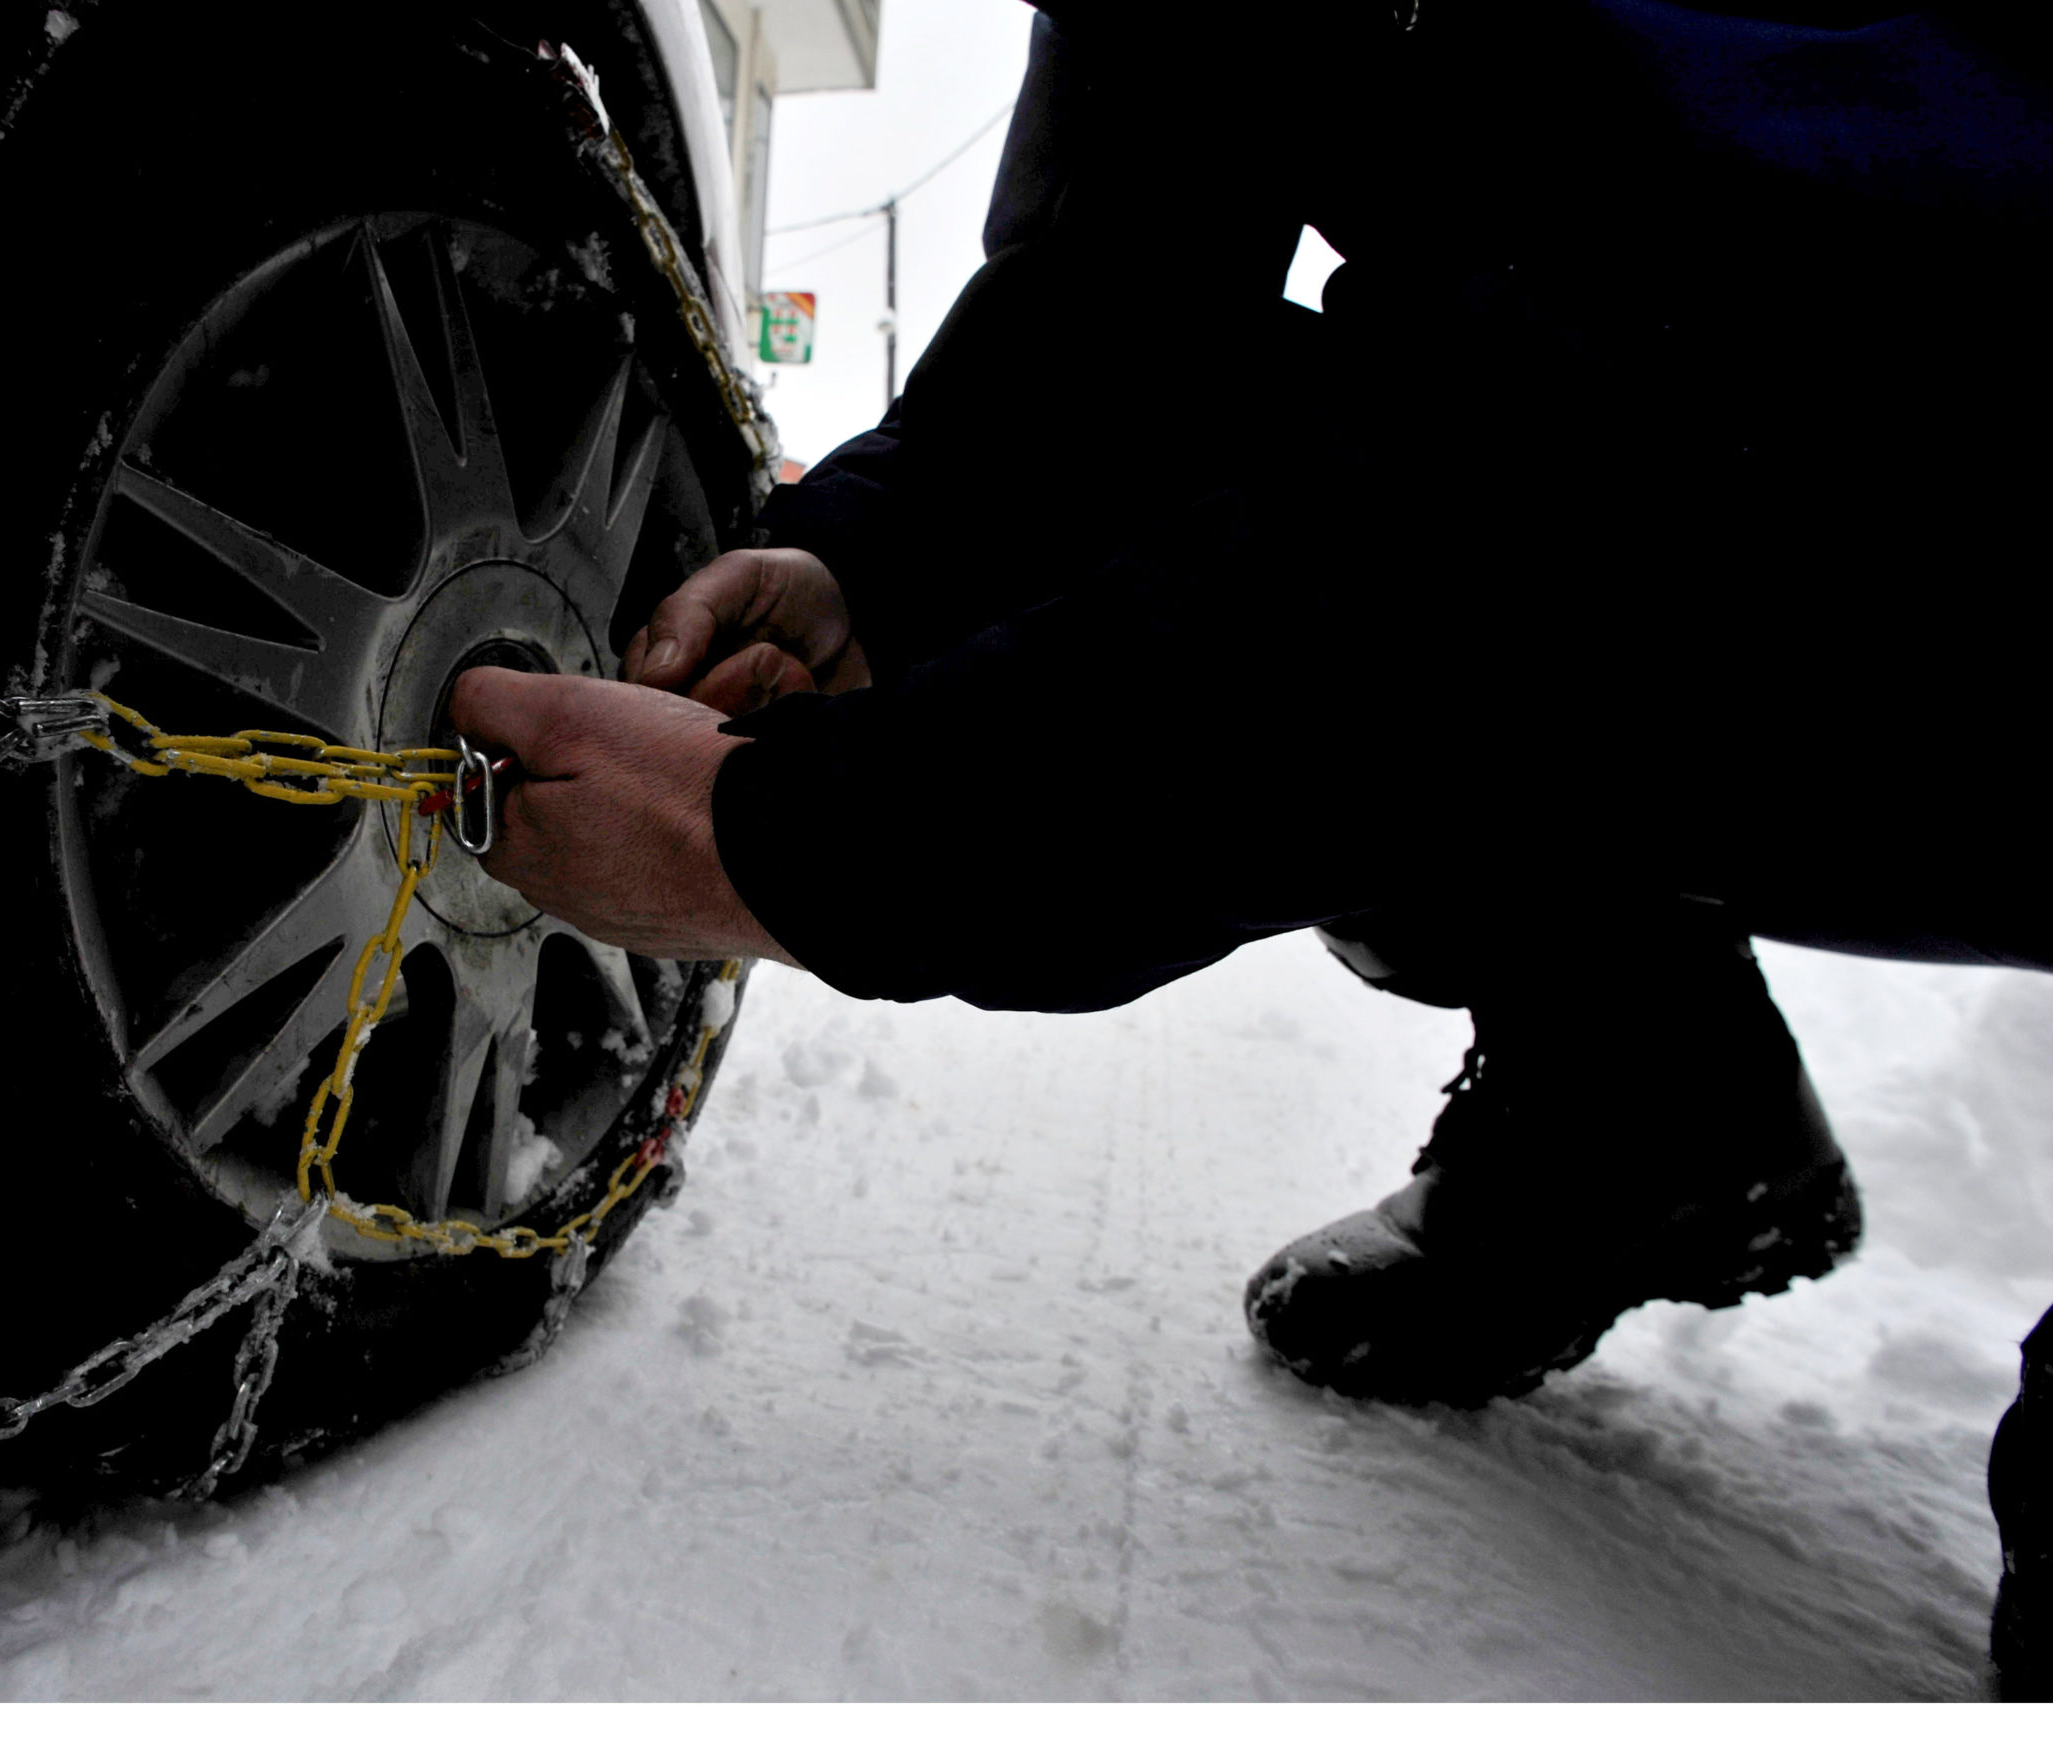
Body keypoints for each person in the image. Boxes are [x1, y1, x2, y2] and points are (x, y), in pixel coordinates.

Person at [451, 0, 2053, 1692]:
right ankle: (1642, 1106)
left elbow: (1590, 488)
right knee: (1277, 457)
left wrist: (792, 845)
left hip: (1938, 437)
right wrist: (876, 566)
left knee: (1484, 523)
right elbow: (1113, 324)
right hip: (1675, 460)